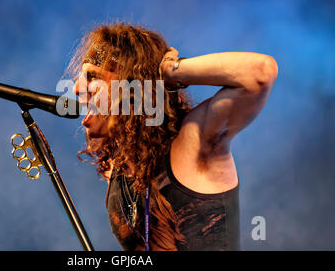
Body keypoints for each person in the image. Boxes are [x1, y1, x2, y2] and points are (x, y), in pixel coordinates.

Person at [67, 22, 278, 251]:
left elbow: (261, 73)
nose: (77, 88)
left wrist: (167, 71)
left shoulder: (195, 141)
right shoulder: (115, 167)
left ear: (130, 88)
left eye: (92, 77)